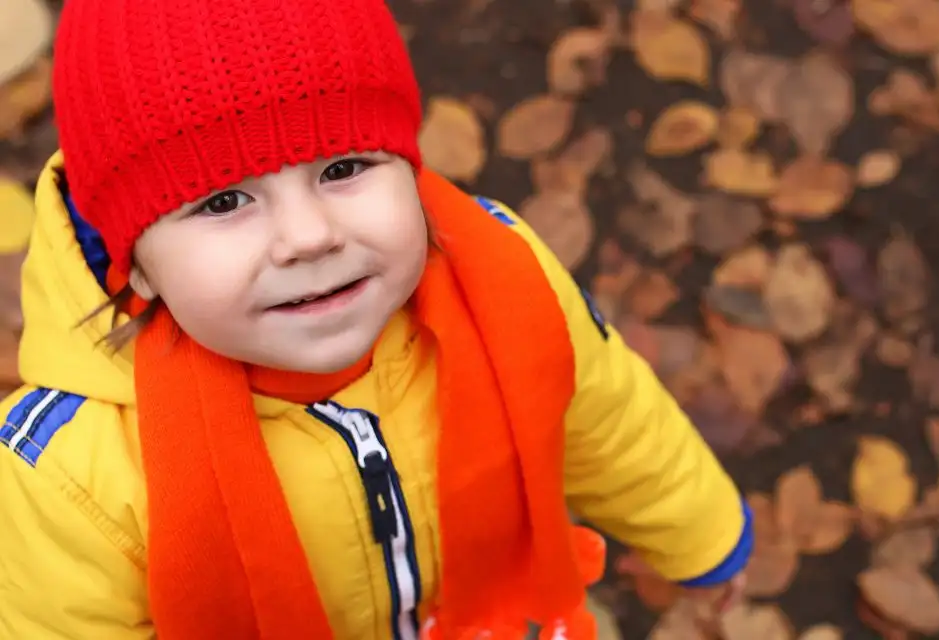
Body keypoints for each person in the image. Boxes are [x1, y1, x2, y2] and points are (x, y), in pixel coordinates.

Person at [0, 0, 754, 638]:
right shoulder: (72, 473)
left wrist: (704, 538)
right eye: (224, 202)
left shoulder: (502, 277)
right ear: (132, 262)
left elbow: (607, 417)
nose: (309, 237)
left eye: (342, 168)